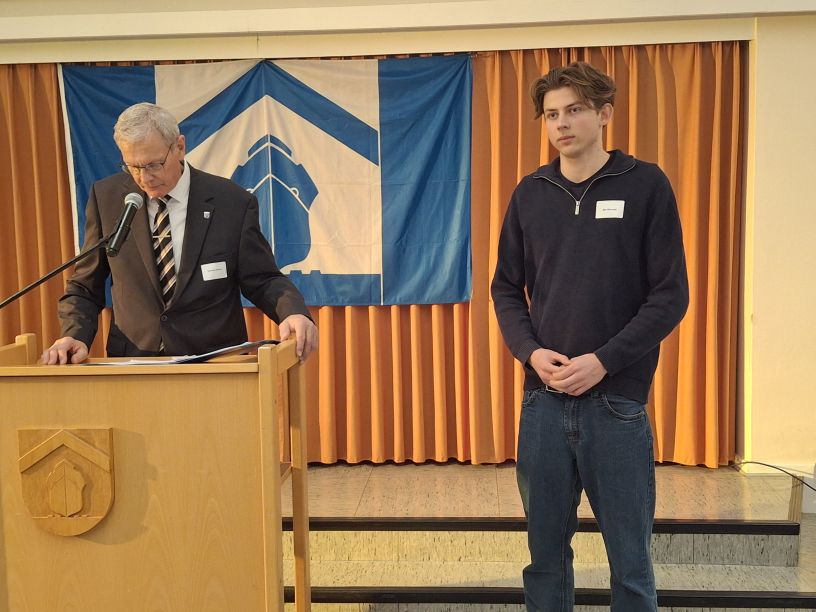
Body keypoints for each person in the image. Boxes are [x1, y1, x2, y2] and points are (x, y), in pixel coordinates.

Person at [491, 62, 689, 611]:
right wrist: (530, 352)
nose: (561, 123)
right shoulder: (531, 192)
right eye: (551, 114)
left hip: (617, 403)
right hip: (544, 401)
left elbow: (670, 295)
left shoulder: (645, 185)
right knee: (545, 560)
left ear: (604, 114)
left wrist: (603, 361)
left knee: (631, 562)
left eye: (574, 110)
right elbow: (505, 288)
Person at [42, 103, 317, 364]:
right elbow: (85, 286)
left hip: (214, 363)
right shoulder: (108, 199)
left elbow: (262, 278)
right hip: (135, 362)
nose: (144, 178)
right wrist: (73, 334)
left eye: (154, 164)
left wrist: (292, 312)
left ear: (180, 147)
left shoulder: (231, 202)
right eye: (133, 167)